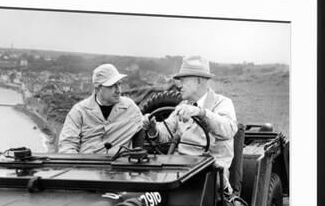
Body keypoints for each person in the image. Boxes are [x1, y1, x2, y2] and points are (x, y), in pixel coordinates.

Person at [143, 55, 237, 191]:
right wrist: (153, 128)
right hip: (179, 169)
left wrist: (201, 112)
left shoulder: (222, 103)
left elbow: (229, 130)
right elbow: (165, 133)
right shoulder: (182, 106)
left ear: (198, 81)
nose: (178, 85)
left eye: (183, 80)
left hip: (211, 172)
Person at [59, 64, 144, 154]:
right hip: (88, 165)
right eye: (112, 86)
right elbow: (67, 145)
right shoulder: (79, 112)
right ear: (98, 88)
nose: (118, 90)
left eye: (119, 84)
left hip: (119, 165)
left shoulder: (130, 108)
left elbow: (148, 130)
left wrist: (153, 130)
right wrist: (78, 166)